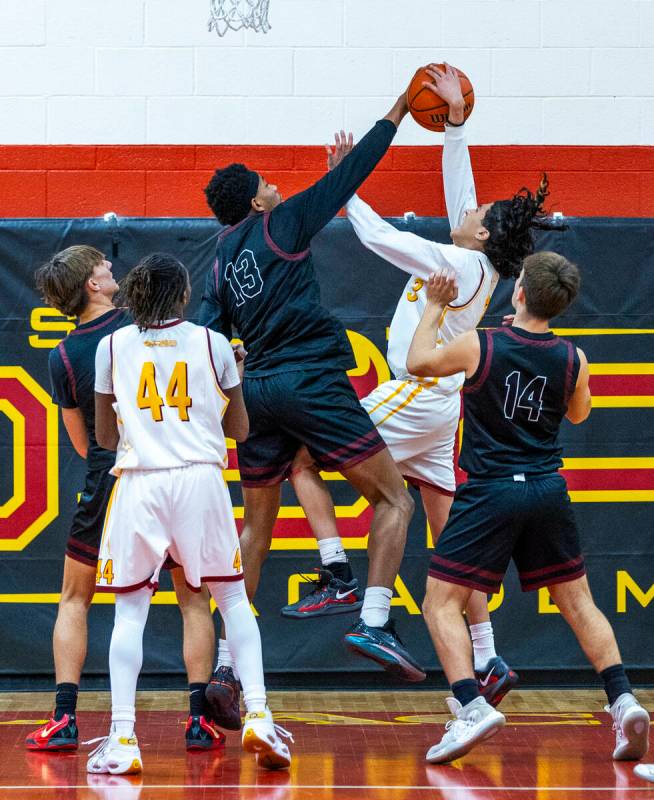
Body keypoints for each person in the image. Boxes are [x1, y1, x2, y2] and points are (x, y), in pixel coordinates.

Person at [284, 63, 555, 704]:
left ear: (482, 232)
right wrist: (455, 127)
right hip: (441, 407)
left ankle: (362, 603)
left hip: (413, 391)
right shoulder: (480, 257)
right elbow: (460, 189)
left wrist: (342, 184)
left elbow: (377, 237)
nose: (468, 208)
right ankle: (489, 659)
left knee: (302, 460)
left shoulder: (457, 260)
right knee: (449, 528)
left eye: (478, 211)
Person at [199, 91, 425, 697]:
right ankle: (374, 619)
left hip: (260, 393)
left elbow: (208, 339)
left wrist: (239, 363)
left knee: (256, 530)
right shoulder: (283, 221)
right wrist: (400, 107)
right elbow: (355, 171)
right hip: (309, 379)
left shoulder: (218, 263)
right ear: (254, 200)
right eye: (267, 182)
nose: (275, 186)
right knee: (396, 501)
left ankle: (228, 666)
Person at [406, 256, 650, 765]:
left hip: (491, 489)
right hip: (545, 488)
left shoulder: (483, 343)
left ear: (519, 293)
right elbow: (579, 414)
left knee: (439, 602)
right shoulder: (574, 358)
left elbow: (417, 361)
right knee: (580, 604)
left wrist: (432, 305)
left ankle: (471, 705)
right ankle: (623, 699)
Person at [90, 253, 292, 774]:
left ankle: (123, 739)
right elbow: (241, 431)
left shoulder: (110, 346)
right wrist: (230, 382)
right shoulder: (214, 343)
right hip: (200, 480)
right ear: (183, 295)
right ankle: (261, 716)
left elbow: (106, 438)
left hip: (141, 483)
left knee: (129, 613)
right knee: (231, 600)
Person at [25, 247, 218, 752]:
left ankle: (65, 718)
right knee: (194, 599)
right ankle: (199, 720)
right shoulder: (147, 332)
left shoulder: (63, 355)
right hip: (169, 472)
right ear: (92, 285)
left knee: (75, 597)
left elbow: (84, 442)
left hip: (108, 480)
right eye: (102, 268)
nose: (112, 269)